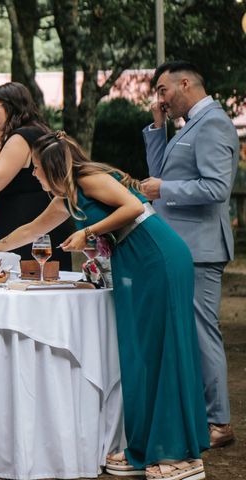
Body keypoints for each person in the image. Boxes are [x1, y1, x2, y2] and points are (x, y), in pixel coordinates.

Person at [0, 130, 209, 480]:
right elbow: (27, 231)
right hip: (134, 261)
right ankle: (146, 448)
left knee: (166, 350)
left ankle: (181, 453)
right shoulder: (65, 199)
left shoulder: (89, 179)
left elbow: (134, 207)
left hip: (157, 255)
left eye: (38, 168)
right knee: (142, 354)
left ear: (54, 166)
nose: (34, 174)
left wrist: (88, 233)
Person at [142, 60, 238, 448]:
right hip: (181, 245)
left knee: (202, 333)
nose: (160, 100)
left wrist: (166, 189)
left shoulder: (213, 122)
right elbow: (159, 174)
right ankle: (199, 412)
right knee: (188, 331)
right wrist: (156, 128)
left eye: (163, 91)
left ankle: (220, 423)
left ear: (185, 83)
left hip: (200, 247)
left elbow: (216, 188)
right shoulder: (189, 126)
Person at [0, 82, 73, 268]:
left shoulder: (20, 137)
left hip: (26, 224)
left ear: (12, 107)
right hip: (41, 222)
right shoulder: (38, 129)